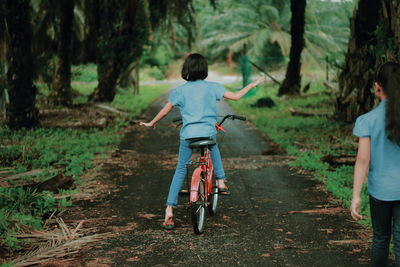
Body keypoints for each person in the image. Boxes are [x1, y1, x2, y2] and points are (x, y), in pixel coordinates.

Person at [140, 53, 265, 229]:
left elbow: (166, 110)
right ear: (204, 69)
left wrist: (151, 123)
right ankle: (221, 181)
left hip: (188, 135)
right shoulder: (213, 87)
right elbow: (236, 97)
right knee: (213, 147)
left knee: (181, 168)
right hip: (207, 133)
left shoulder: (179, 90)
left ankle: (169, 209)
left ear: (187, 69)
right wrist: (253, 84)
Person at [351, 61, 400, 266]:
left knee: (381, 238)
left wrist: (355, 196)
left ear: (377, 86)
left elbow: (363, 160)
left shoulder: (367, 119)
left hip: (380, 191)